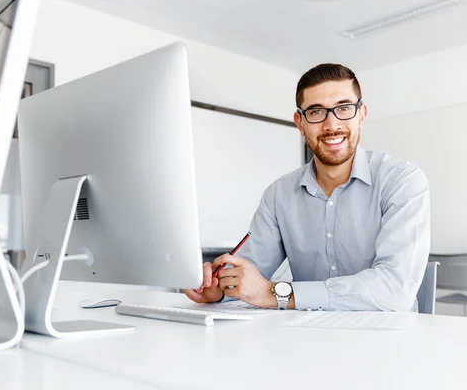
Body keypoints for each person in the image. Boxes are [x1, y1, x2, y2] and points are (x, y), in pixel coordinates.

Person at [183, 63, 430, 311]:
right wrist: (219, 288)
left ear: (361, 114)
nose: (332, 124)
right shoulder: (278, 195)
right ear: (300, 123)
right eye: (315, 112)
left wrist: (276, 294)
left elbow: (394, 290)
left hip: (389, 340)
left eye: (344, 108)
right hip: (307, 337)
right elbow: (250, 276)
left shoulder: (402, 181)